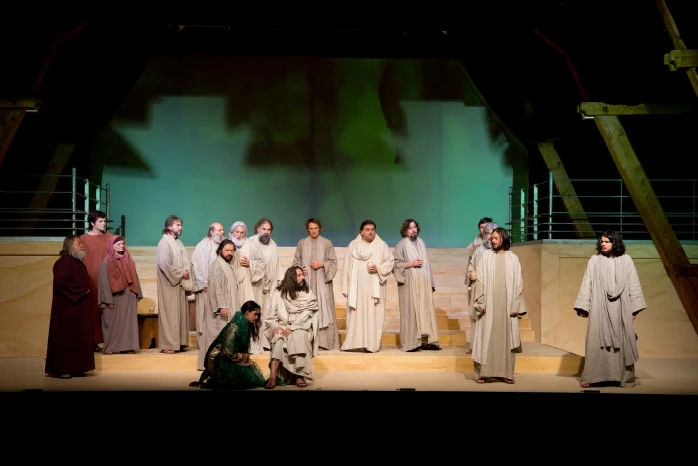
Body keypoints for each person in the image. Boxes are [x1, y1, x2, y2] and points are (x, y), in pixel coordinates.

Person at [574, 230, 647, 388]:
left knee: (623, 342)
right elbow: (587, 283)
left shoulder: (626, 260)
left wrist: (634, 311)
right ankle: (592, 377)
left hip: (621, 308)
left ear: (615, 242)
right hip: (599, 308)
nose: (603, 244)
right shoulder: (594, 260)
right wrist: (583, 307)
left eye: (607, 241)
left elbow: (633, 284)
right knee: (595, 342)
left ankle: (622, 377)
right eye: (602, 241)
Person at [471, 227, 525, 384]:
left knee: (506, 340)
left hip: (506, 308)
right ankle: (485, 373)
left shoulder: (513, 259)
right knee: (486, 339)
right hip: (489, 306)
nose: (493, 241)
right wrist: (480, 302)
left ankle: (506, 373)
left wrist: (515, 306)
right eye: (491, 238)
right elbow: (480, 280)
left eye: (496, 238)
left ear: (503, 239)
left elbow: (519, 284)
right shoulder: (486, 256)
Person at [45, 235, 95, 379]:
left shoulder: (77, 263)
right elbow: (60, 284)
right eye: (78, 243)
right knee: (65, 339)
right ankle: (61, 369)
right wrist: (81, 292)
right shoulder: (63, 262)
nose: (82, 246)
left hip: (78, 309)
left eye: (82, 243)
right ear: (69, 246)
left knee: (78, 337)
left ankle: (76, 367)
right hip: (67, 309)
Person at [341, 220, 394, 353]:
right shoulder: (353, 245)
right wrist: (344, 287)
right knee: (355, 315)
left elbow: (390, 262)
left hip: (374, 288)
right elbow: (346, 266)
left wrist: (378, 268)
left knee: (373, 315)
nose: (370, 232)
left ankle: (371, 345)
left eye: (372, 229)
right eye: (367, 229)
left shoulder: (381, 245)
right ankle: (353, 343)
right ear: (361, 232)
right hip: (356, 288)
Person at [190, 301, 266, 390]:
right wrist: (243, 358)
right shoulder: (235, 327)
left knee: (249, 374)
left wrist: (246, 359)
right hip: (219, 359)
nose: (256, 317)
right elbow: (227, 352)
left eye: (257, 315)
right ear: (247, 313)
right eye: (255, 314)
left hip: (231, 357)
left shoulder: (245, 325)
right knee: (235, 380)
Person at [264, 266, 319, 389]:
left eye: (302, 275)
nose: (303, 277)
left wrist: (293, 327)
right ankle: (273, 376)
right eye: (299, 275)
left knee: (299, 336)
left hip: (301, 326)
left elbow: (306, 315)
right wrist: (276, 326)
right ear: (291, 278)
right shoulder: (278, 293)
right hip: (283, 325)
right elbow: (271, 316)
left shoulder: (307, 293)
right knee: (278, 338)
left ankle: (299, 375)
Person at [292, 217, 340, 350]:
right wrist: (300, 269)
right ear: (307, 229)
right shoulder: (302, 243)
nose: (313, 231)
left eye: (316, 228)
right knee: (306, 309)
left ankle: (324, 342)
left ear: (320, 228)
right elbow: (296, 262)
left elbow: (333, 263)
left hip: (322, 282)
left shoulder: (327, 243)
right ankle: (306, 342)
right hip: (306, 283)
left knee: (323, 309)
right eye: (311, 228)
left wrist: (322, 264)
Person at [393, 218, 440, 352]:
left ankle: (426, 341)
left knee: (426, 311)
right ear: (405, 231)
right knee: (411, 313)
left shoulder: (421, 242)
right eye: (410, 228)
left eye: (414, 227)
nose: (413, 230)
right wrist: (411, 264)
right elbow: (396, 265)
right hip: (410, 285)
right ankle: (410, 343)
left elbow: (427, 264)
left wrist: (431, 283)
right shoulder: (401, 245)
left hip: (423, 283)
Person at [197, 239, 241, 371]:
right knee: (216, 337)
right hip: (222, 310)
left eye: (232, 251)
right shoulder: (217, 265)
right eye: (227, 250)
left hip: (229, 308)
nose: (229, 253)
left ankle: (222, 366)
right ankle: (211, 366)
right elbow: (216, 287)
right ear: (220, 250)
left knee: (225, 338)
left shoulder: (227, 265)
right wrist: (221, 305)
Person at [98, 235, 142, 354]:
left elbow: (135, 277)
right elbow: (104, 282)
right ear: (111, 246)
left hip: (129, 294)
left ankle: (127, 346)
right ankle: (110, 347)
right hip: (115, 296)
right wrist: (107, 300)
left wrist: (137, 293)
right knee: (112, 322)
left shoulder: (129, 259)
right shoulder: (107, 261)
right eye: (118, 244)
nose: (122, 246)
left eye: (123, 244)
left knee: (128, 321)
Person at [80, 209, 116, 352]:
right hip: (90, 280)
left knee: (106, 310)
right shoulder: (83, 239)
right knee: (91, 311)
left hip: (106, 280)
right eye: (100, 221)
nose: (103, 224)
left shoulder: (110, 238)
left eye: (104, 221)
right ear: (92, 223)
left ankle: (108, 341)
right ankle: (92, 341)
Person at [156, 215, 193, 354]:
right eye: (178, 225)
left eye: (181, 225)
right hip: (169, 284)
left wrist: (185, 272)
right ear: (169, 227)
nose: (180, 227)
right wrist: (180, 272)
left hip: (179, 283)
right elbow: (164, 263)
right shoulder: (164, 242)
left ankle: (179, 342)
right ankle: (168, 344)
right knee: (170, 313)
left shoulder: (178, 242)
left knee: (179, 313)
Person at [246, 218, 284, 353]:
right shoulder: (250, 242)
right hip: (255, 284)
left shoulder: (273, 245)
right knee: (254, 313)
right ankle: (252, 342)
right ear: (257, 229)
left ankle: (264, 342)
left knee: (267, 314)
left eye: (268, 230)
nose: (266, 232)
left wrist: (279, 281)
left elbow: (277, 265)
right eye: (263, 229)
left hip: (269, 286)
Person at [191, 222, 225, 367]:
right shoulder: (202, 246)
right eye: (219, 230)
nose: (222, 232)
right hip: (205, 288)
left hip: (219, 288)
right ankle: (203, 344)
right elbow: (195, 266)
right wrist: (203, 283)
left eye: (223, 230)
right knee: (204, 316)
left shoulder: (223, 245)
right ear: (211, 232)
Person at [465, 222, 499, 354]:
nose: (490, 237)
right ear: (484, 235)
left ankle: (491, 348)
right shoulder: (479, 250)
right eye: (488, 234)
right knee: (477, 319)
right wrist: (471, 272)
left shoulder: (501, 252)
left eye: (493, 234)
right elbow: (472, 264)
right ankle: (475, 347)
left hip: (493, 291)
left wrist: (478, 275)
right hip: (478, 290)